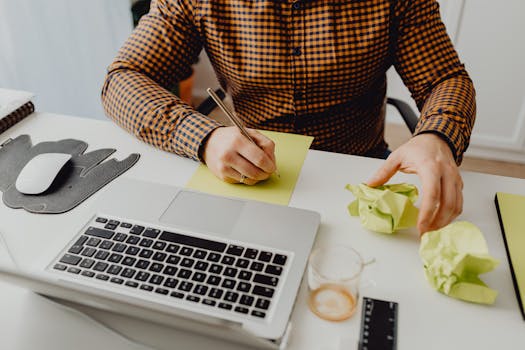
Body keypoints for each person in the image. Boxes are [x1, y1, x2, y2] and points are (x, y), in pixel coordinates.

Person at [101, 0, 475, 235]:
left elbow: (445, 78)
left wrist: (436, 137)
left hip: (359, 172)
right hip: (243, 174)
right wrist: (204, 137)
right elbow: (123, 79)